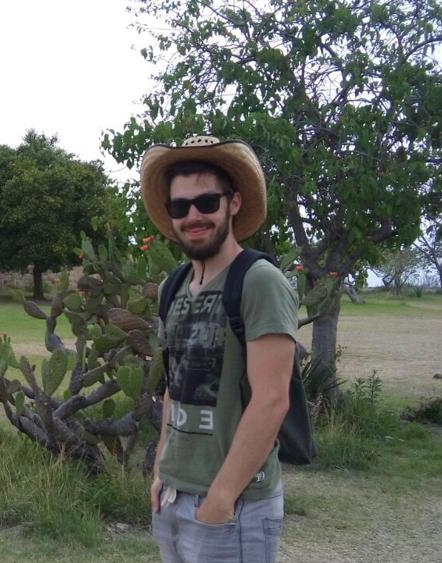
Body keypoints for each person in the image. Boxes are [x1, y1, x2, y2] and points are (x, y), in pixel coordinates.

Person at [140, 135, 299, 562]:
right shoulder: (173, 286)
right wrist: (159, 471)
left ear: (233, 202)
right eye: (180, 206)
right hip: (172, 496)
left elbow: (271, 400)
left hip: (234, 505)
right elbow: (175, 385)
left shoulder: (259, 282)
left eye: (207, 202)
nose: (193, 215)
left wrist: (221, 499)